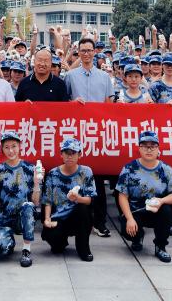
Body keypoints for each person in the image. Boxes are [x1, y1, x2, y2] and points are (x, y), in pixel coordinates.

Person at [63, 36, 113, 238]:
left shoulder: (104, 77)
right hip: (76, 133)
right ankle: (75, 221)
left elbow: (109, 105)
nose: (86, 54)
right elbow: (64, 103)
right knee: (75, 176)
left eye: (89, 50)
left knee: (97, 178)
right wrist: (73, 103)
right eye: (82, 50)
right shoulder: (70, 76)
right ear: (78, 53)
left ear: (94, 52)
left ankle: (100, 222)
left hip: (97, 133)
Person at [115, 129, 172, 262]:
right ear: (139, 148)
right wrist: (129, 219)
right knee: (129, 230)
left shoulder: (166, 169)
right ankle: (137, 237)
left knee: (166, 211)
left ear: (158, 149)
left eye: (153, 146)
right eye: (145, 146)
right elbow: (122, 196)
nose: (149, 149)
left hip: (156, 210)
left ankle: (160, 246)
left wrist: (161, 201)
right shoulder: (129, 168)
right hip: (136, 211)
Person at [0, 129, 41, 267]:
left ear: (19, 146)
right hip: (3, 218)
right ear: (2, 149)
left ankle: (26, 250)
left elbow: (35, 202)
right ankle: (8, 240)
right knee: (1, 248)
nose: (11, 151)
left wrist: (36, 183)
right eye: (7, 147)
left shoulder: (30, 169)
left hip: (22, 217)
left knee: (28, 206)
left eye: (14, 146)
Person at [41, 137, 96, 262]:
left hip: (77, 216)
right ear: (61, 154)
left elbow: (90, 199)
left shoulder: (86, 172)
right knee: (56, 246)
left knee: (83, 208)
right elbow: (47, 200)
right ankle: (61, 241)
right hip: (59, 218)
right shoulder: (53, 173)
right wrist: (47, 219)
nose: (69, 156)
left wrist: (78, 198)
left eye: (73, 153)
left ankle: (83, 248)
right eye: (66, 153)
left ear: (79, 155)